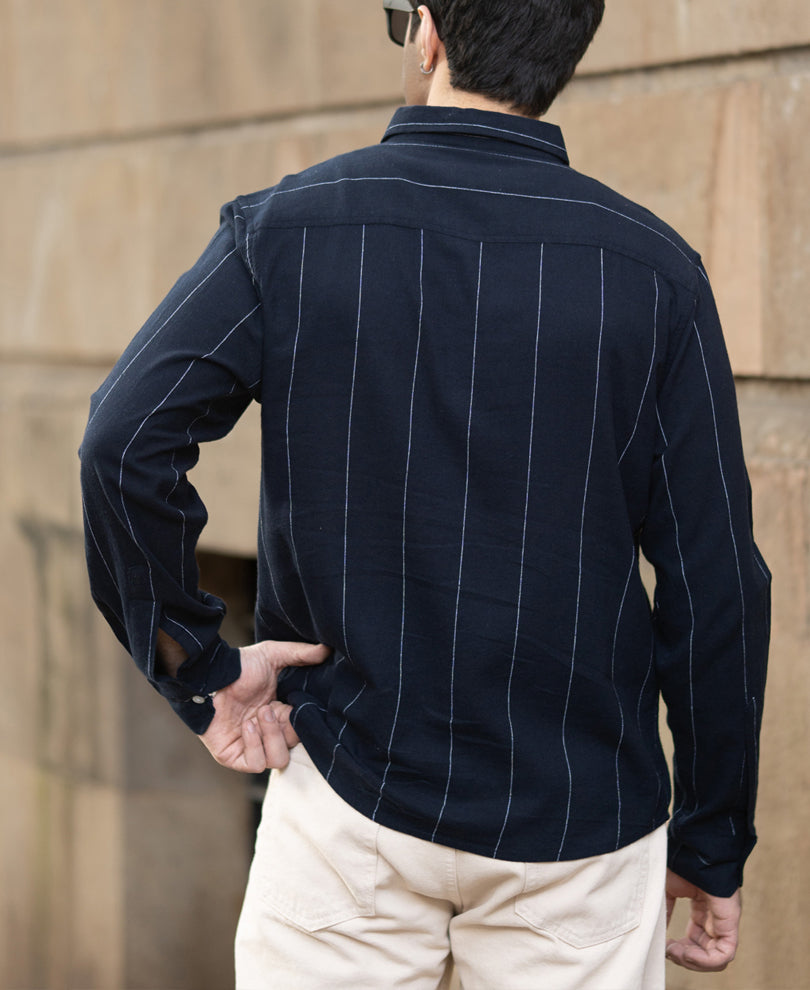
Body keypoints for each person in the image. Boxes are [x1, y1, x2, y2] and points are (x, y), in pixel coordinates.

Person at [79, 1, 771, 987]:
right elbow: (716, 584)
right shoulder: (654, 273)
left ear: (433, 32)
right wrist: (710, 842)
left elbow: (121, 445)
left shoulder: (290, 230)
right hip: (578, 825)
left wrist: (194, 661)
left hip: (348, 803)